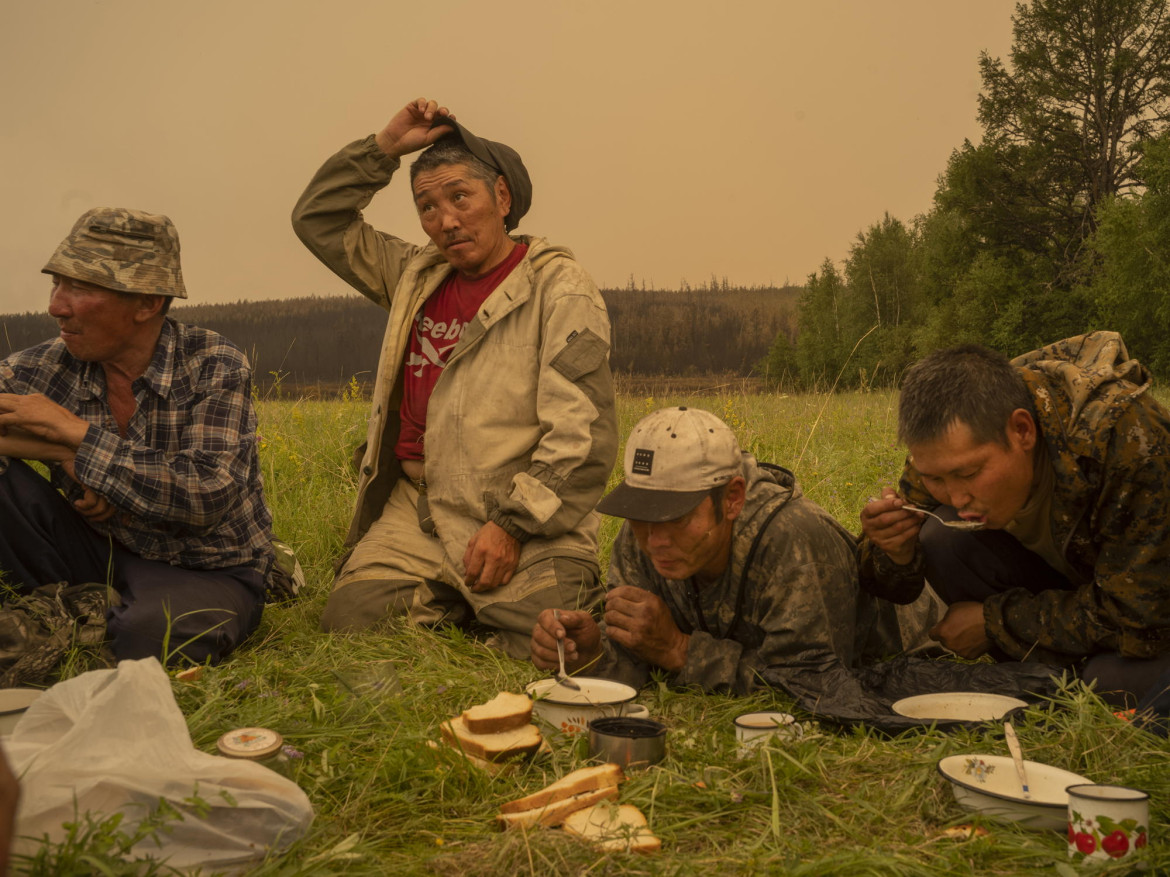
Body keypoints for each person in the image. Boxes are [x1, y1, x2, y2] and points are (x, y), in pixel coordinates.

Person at [292, 98, 617, 657]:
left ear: (502, 197)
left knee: (558, 638)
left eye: (459, 197)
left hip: (523, 517)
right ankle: (455, 599)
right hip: (417, 510)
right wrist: (384, 149)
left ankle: (464, 603)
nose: (445, 220)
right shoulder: (415, 276)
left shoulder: (559, 288)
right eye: (427, 206)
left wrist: (511, 528)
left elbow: (582, 439)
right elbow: (318, 220)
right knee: (350, 624)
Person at [0, 208, 275, 665]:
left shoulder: (213, 363)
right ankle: (79, 609)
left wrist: (76, 437)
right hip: (91, 546)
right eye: (57, 283)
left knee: (147, 638)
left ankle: (79, 617)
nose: (56, 306)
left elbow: (205, 495)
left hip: (202, 565)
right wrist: (58, 451)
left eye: (81, 288)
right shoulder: (45, 365)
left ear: (147, 303)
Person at [859, 333, 1170, 704]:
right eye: (934, 478)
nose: (956, 498)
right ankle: (1048, 669)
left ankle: (1064, 673)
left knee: (1110, 683)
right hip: (1078, 592)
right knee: (941, 539)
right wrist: (893, 550)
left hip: (1152, 610)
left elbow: (1140, 616)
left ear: (1022, 430)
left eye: (970, 474)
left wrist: (996, 623)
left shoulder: (1129, 441)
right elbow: (890, 588)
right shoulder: (945, 453)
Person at [530, 406, 908, 698]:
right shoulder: (638, 537)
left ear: (732, 499)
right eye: (642, 514)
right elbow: (639, 658)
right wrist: (592, 652)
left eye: (675, 518)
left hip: (919, 642)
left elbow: (810, 683)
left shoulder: (793, 541)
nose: (654, 540)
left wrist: (680, 650)